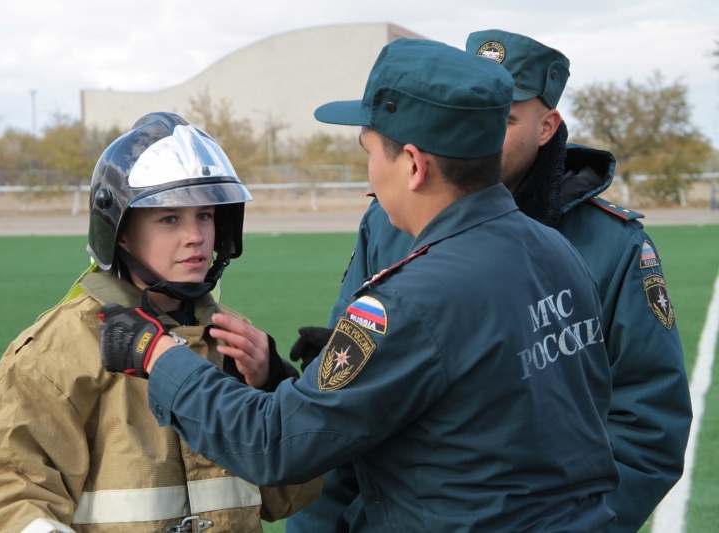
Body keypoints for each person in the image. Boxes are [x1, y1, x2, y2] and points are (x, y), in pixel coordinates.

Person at [99, 39, 620, 531]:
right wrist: (285, 379)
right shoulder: (554, 250)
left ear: (414, 165)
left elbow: (276, 443)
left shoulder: (412, 300)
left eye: (371, 152)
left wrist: (157, 353)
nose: (370, 176)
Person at [287, 29, 693, 533]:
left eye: (504, 117)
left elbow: (648, 423)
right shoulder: (388, 221)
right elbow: (344, 390)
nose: (477, 126)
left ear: (547, 127)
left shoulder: (611, 244)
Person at [0, 112, 321, 533]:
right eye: (169, 219)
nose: (196, 236)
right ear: (120, 232)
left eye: (206, 216)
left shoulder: (233, 338)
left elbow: (284, 497)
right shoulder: (64, 348)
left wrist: (274, 389)